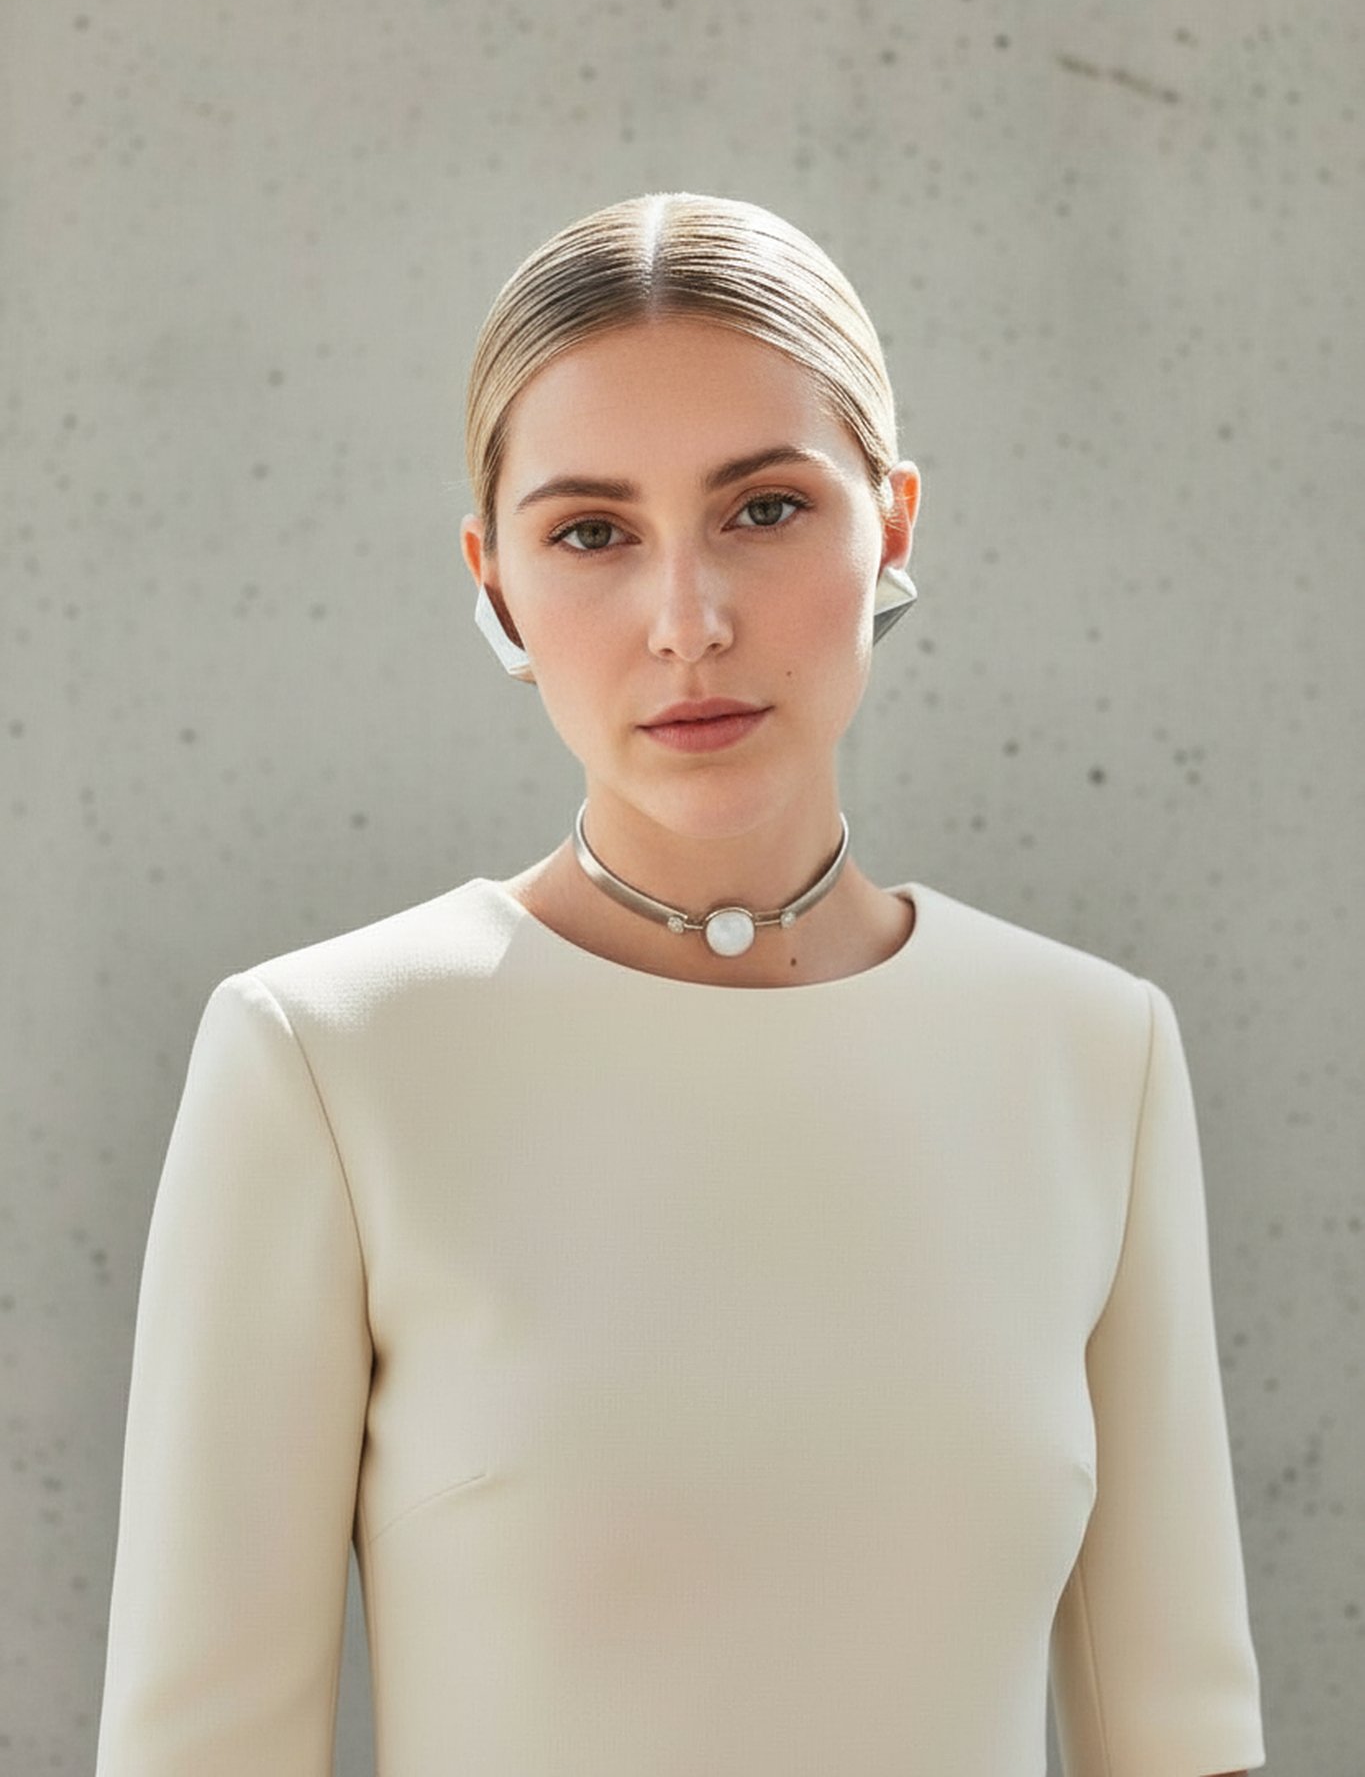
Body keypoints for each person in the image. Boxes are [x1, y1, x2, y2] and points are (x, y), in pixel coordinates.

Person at [94, 191, 1266, 1775]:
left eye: (764, 509)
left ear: (892, 522)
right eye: (590, 533)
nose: (687, 624)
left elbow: (1180, 1736)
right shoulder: (323, 1061)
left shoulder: (1089, 1053)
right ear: (493, 582)